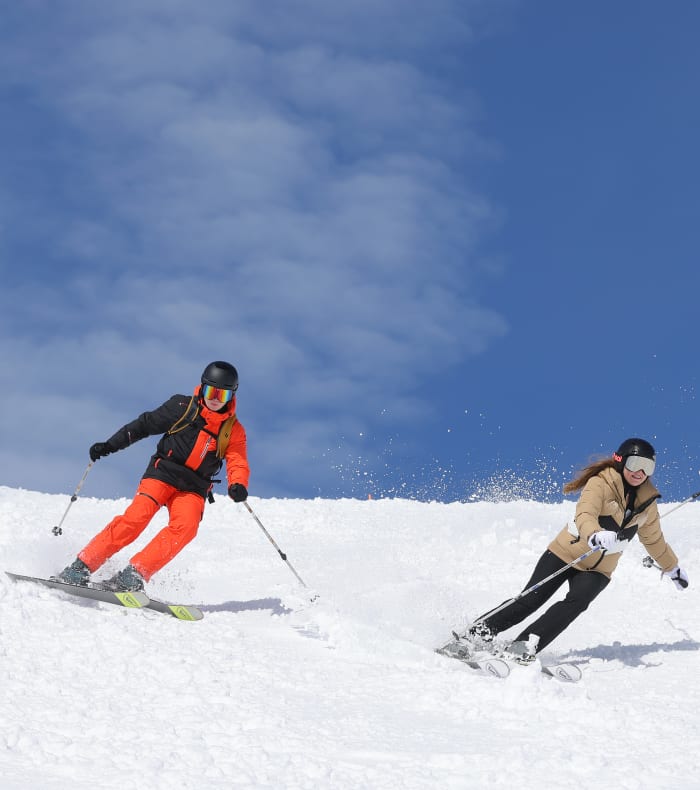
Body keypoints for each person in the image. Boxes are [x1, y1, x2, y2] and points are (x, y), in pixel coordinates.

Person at [464, 438, 689, 662]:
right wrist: (594, 534)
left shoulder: (647, 503)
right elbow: (585, 513)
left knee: (577, 603)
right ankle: (474, 635)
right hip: (566, 554)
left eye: (647, 466)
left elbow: (654, 539)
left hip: (599, 569)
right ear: (621, 462)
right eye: (634, 464)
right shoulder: (601, 483)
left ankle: (525, 644)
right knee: (531, 599)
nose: (640, 472)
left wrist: (672, 568)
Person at [55, 361, 250, 592]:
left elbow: (237, 460)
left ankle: (133, 575)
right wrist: (110, 445)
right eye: (211, 391)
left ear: (231, 396)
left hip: (194, 487)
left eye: (222, 394)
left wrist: (238, 484)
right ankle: (80, 567)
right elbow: (144, 425)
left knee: (186, 528)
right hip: (163, 473)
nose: (215, 398)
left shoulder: (232, 430)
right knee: (136, 518)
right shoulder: (182, 407)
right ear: (202, 387)